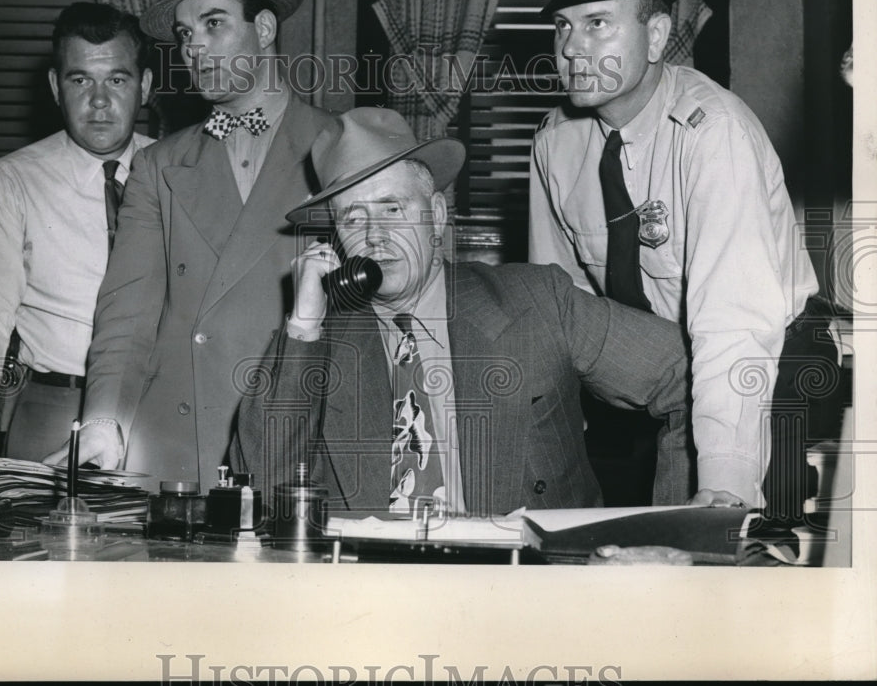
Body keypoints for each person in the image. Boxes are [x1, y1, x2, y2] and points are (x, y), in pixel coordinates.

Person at [229, 107, 735, 516]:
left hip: (521, 596)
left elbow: (688, 375)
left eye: (393, 209)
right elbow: (264, 483)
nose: (374, 235)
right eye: (352, 217)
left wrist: (676, 528)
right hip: (375, 600)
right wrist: (304, 326)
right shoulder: (318, 341)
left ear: (438, 218)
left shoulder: (538, 302)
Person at [527, 0, 838, 515]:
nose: (571, 49)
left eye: (598, 24)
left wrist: (723, 479)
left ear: (658, 32)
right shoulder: (554, 141)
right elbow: (556, 304)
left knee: (705, 537)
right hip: (655, 355)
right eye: (563, 26)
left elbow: (734, 322)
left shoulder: (712, 132)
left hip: (768, 351)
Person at [45, 0, 335, 490]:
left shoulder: (340, 149)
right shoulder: (158, 166)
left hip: (293, 437)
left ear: (265, 29)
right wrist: (105, 419)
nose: (195, 48)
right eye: (184, 34)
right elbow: (127, 313)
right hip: (174, 445)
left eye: (214, 24)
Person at [0, 2, 154, 460]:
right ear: (57, 87)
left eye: (117, 79)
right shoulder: (11, 182)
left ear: (147, 86)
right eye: (80, 80)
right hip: (54, 408)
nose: (99, 100)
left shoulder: (180, 172)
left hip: (159, 410)